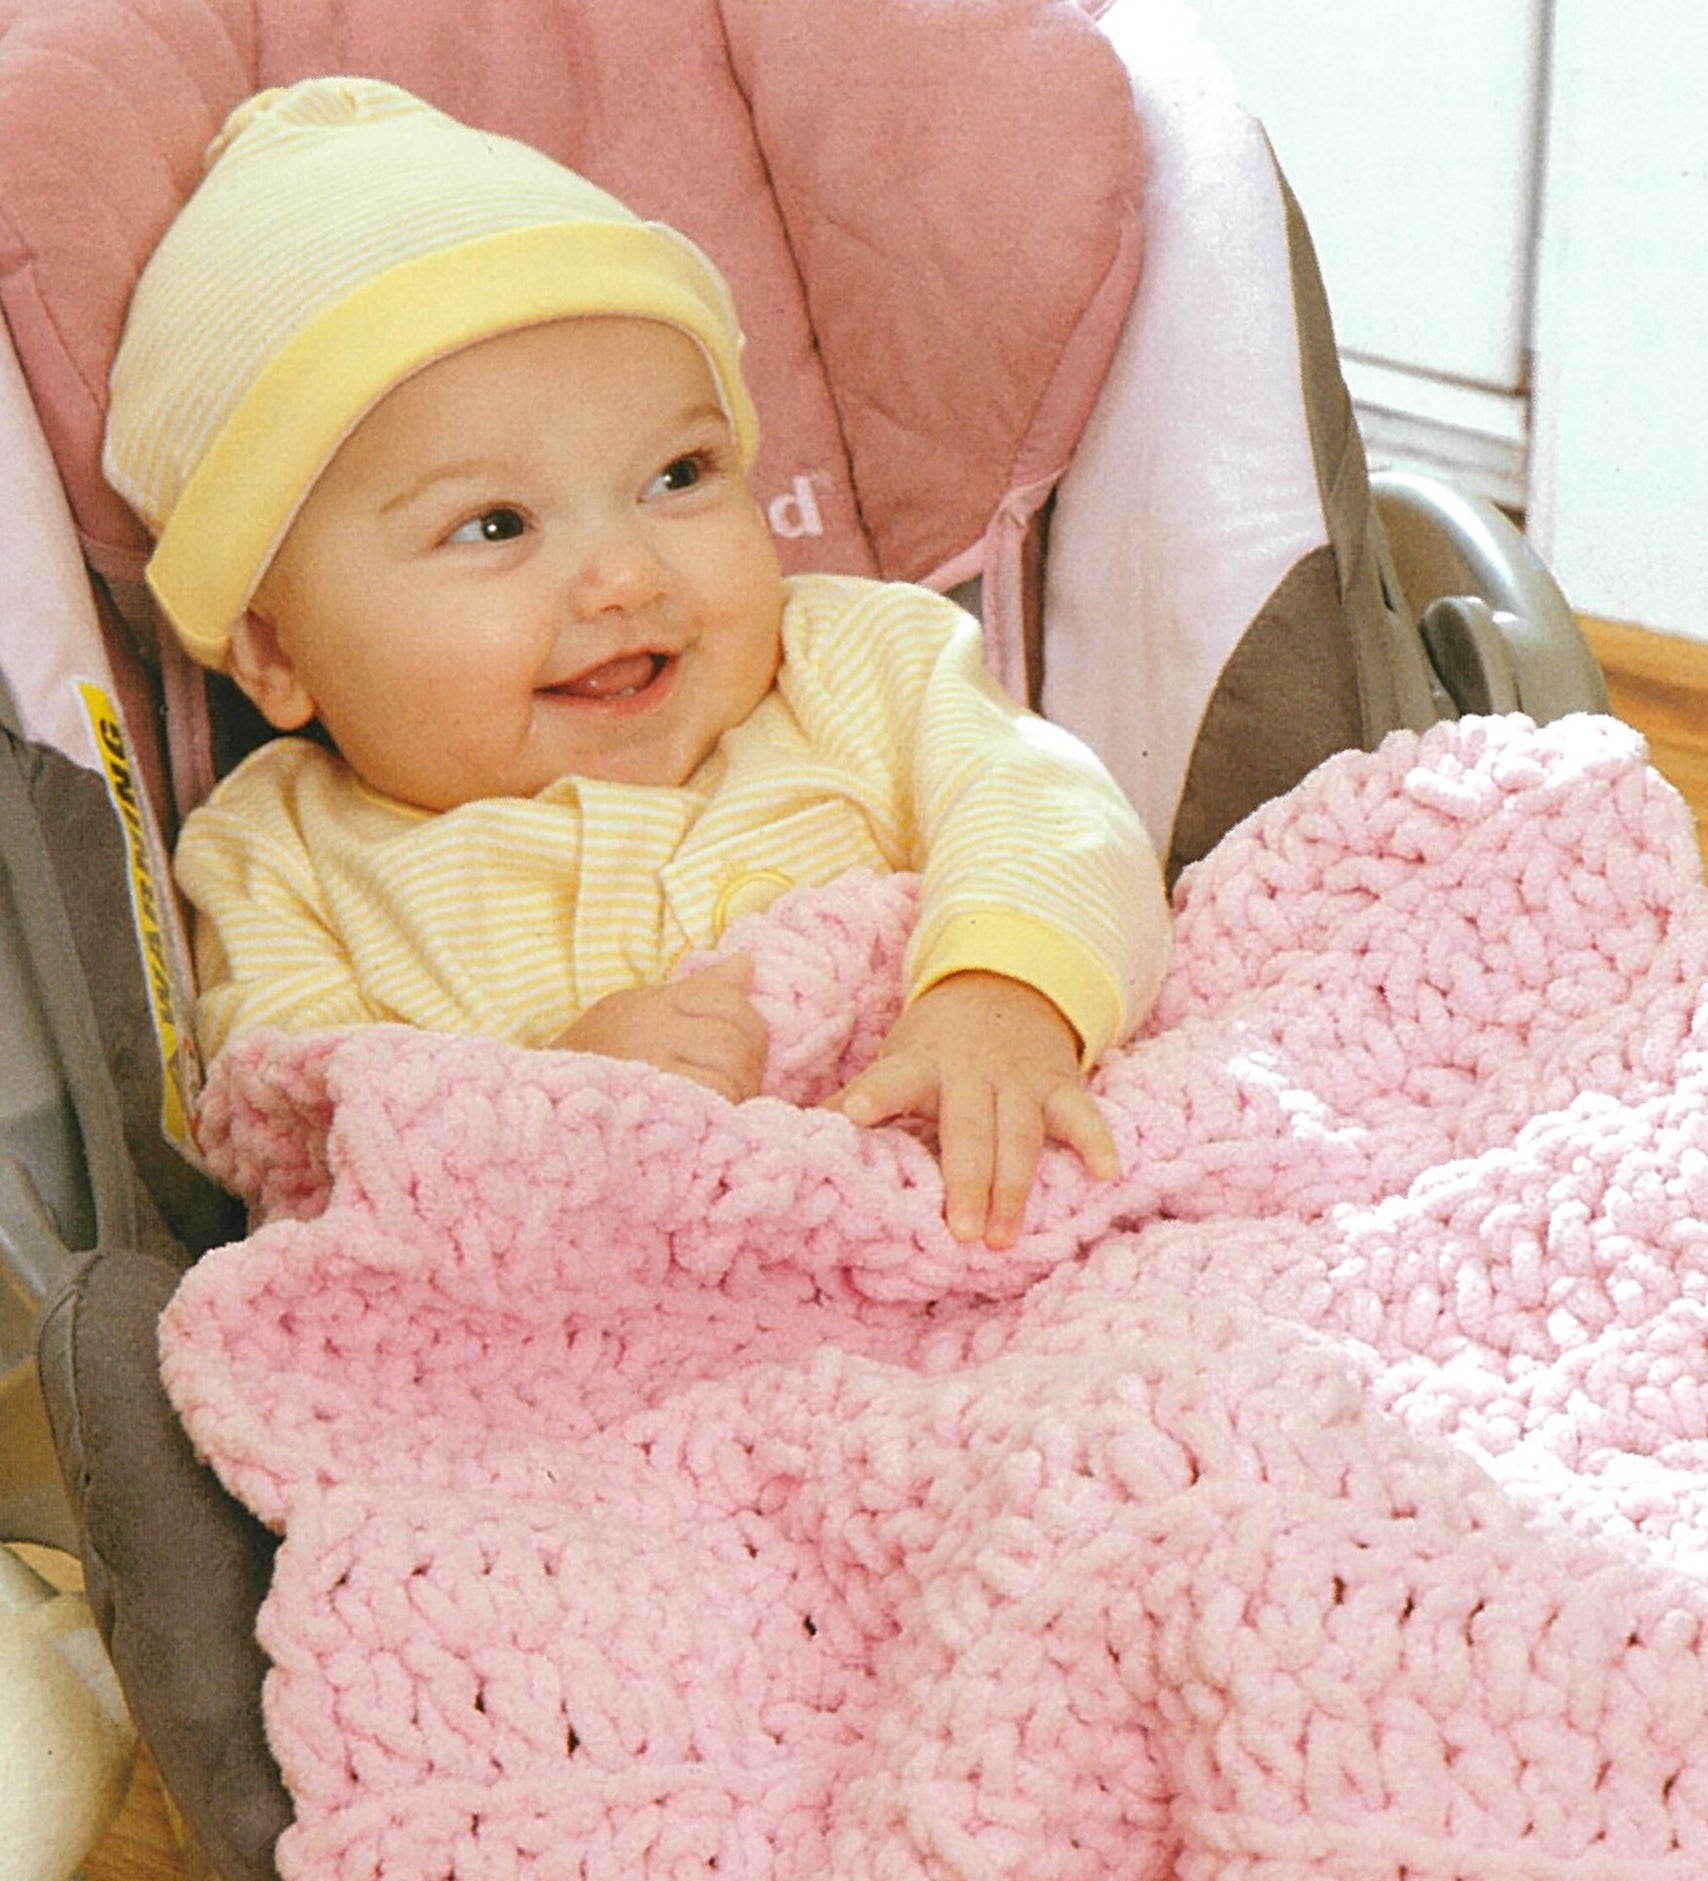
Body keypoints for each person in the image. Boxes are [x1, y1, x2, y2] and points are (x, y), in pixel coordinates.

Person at [104, 78, 1171, 1249]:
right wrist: (548, 1091)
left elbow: (1051, 809)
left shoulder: (856, 664)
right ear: (273, 647)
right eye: (495, 526)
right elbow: (295, 1139)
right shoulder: (281, 857)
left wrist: (1003, 993)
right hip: (603, 1327)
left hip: (980, 1221)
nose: (623, 574)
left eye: (679, 475)